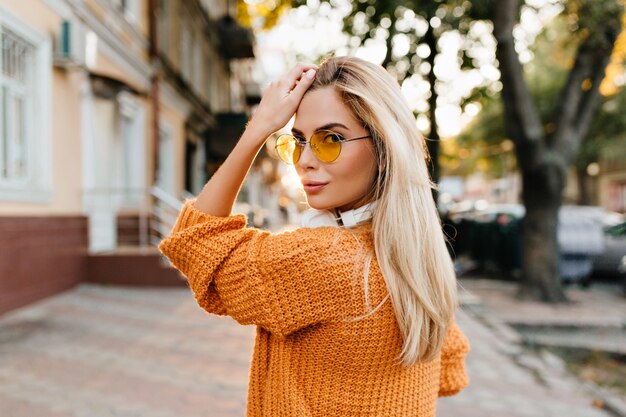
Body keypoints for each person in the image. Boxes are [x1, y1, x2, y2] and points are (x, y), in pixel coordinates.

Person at [159, 56, 470, 416]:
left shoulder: (321, 260)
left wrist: (257, 129)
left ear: (384, 150)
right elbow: (451, 373)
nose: (305, 159)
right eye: (298, 140)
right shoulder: (420, 261)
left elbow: (195, 239)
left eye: (330, 139)